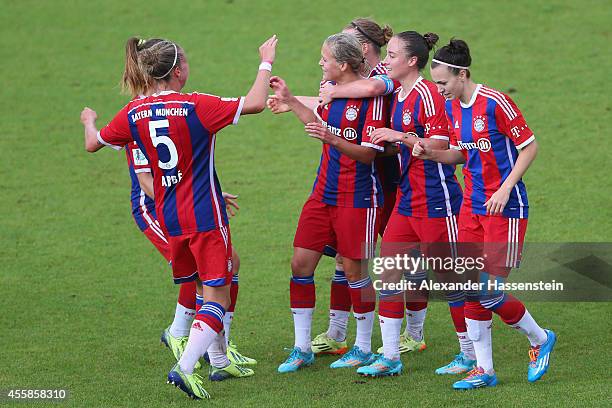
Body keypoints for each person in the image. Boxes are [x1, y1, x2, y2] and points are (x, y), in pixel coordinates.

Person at [80, 34, 277, 399]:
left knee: (207, 285)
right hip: (205, 214)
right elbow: (256, 102)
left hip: (171, 217)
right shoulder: (196, 105)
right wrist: (265, 61)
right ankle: (185, 367)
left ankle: (218, 359)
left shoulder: (132, 113)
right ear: (178, 70)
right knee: (216, 294)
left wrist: (89, 121)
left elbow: (94, 144)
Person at [412, 38, 556, 389]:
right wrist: (430, 155)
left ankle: (540, 338)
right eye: (437, 83)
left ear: (463, 74)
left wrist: (506, 188)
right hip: (471, 208)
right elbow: (463, 154)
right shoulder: (452, 107)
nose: (440, 89)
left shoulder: (495, 103)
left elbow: (529, 147)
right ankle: (484, 370)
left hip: (505, 209)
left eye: (444, 82)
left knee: (488, 290)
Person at [330, 31, 469, 377]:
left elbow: (440, 147)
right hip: (408, 200)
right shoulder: (400, 95)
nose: (385, 61)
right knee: (389, 273)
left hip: (438, 201)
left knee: (451, 279)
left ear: (411, 62)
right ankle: (390, 355)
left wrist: (399, 137)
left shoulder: (428, 95)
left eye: (391, 56)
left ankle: (471, 353)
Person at [270, 33, 387, 373]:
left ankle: (363, 348)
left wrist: (332, 137)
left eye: (325, 59)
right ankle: (301, 348)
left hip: (359, 198)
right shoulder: (328, 93)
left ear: (344, 65)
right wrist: (291, 101)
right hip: (323, 194)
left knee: (355, 271)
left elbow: (368, 154)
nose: (321, 64)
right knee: (300, 264)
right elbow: (317, 124)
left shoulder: (370, 100)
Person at [130, 147, 256, 370]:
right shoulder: (138, 118)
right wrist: (89, 122)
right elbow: (144, 180)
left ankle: (219, 349)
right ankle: (179, 334)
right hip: (156, 209)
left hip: (184, 204)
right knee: (198, 271)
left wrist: (209, 197)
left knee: (230, 263)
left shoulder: (171, 115)